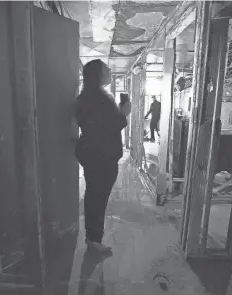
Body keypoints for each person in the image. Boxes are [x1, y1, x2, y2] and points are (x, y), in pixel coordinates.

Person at [75, 59, 131, 253]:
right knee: (98, 199)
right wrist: (124, 114)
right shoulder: (99, 97)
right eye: (106, 70)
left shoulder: (86, 96)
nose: (110, 72)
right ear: (97, 75)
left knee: (92, 196)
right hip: (102, 156)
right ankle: (95, 241)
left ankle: (92, 238)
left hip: (92, 154)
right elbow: (107, 127)